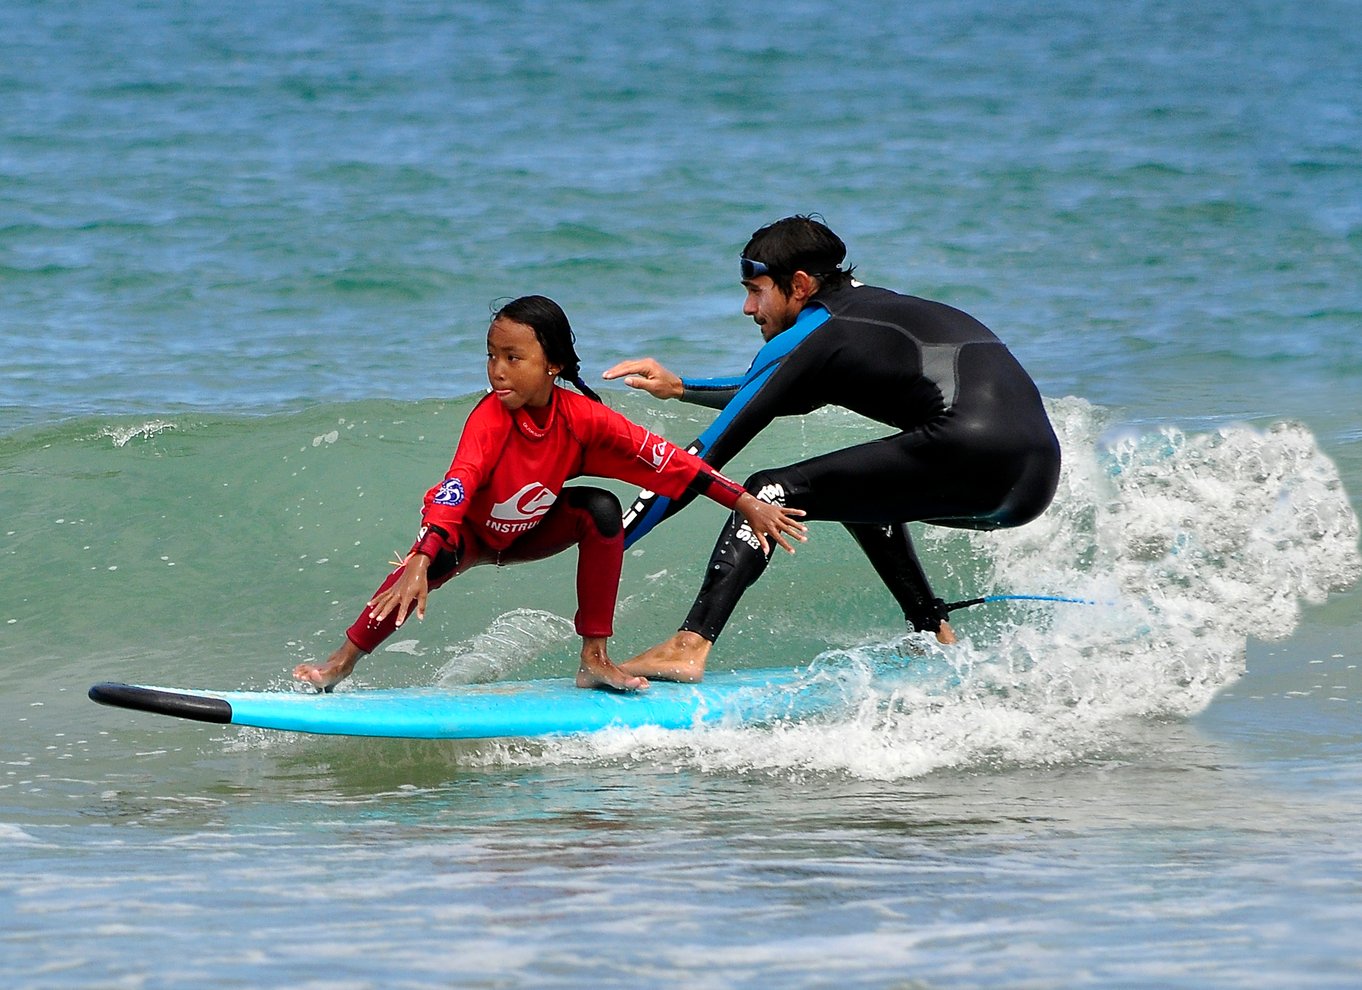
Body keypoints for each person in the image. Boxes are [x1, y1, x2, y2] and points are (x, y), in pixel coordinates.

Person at [602, 215, 1061, 682]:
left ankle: (688, 645)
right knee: (861, 495)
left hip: (970, 452)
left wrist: (611, 540)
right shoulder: (868, 313)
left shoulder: (816, 333)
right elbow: (776, 389)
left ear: (799, 285)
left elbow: (698, 463)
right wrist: (682, 387)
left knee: (767, 493)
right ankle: (934, 632)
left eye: (755, 290)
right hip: (1033, 480)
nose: (747, 307)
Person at [293, 295, 806, 693]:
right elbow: (459, 481)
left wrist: (745, 501)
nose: (498, 370)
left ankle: (595, 659)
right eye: (492, 356)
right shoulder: (490, 418)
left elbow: (669, 461)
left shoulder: (582, 420)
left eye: (514, 357)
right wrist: (424, 553)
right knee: (414, 575)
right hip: (470, 536)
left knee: (601, 509)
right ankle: (341, 662)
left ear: (553, 364)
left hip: (534, 531)